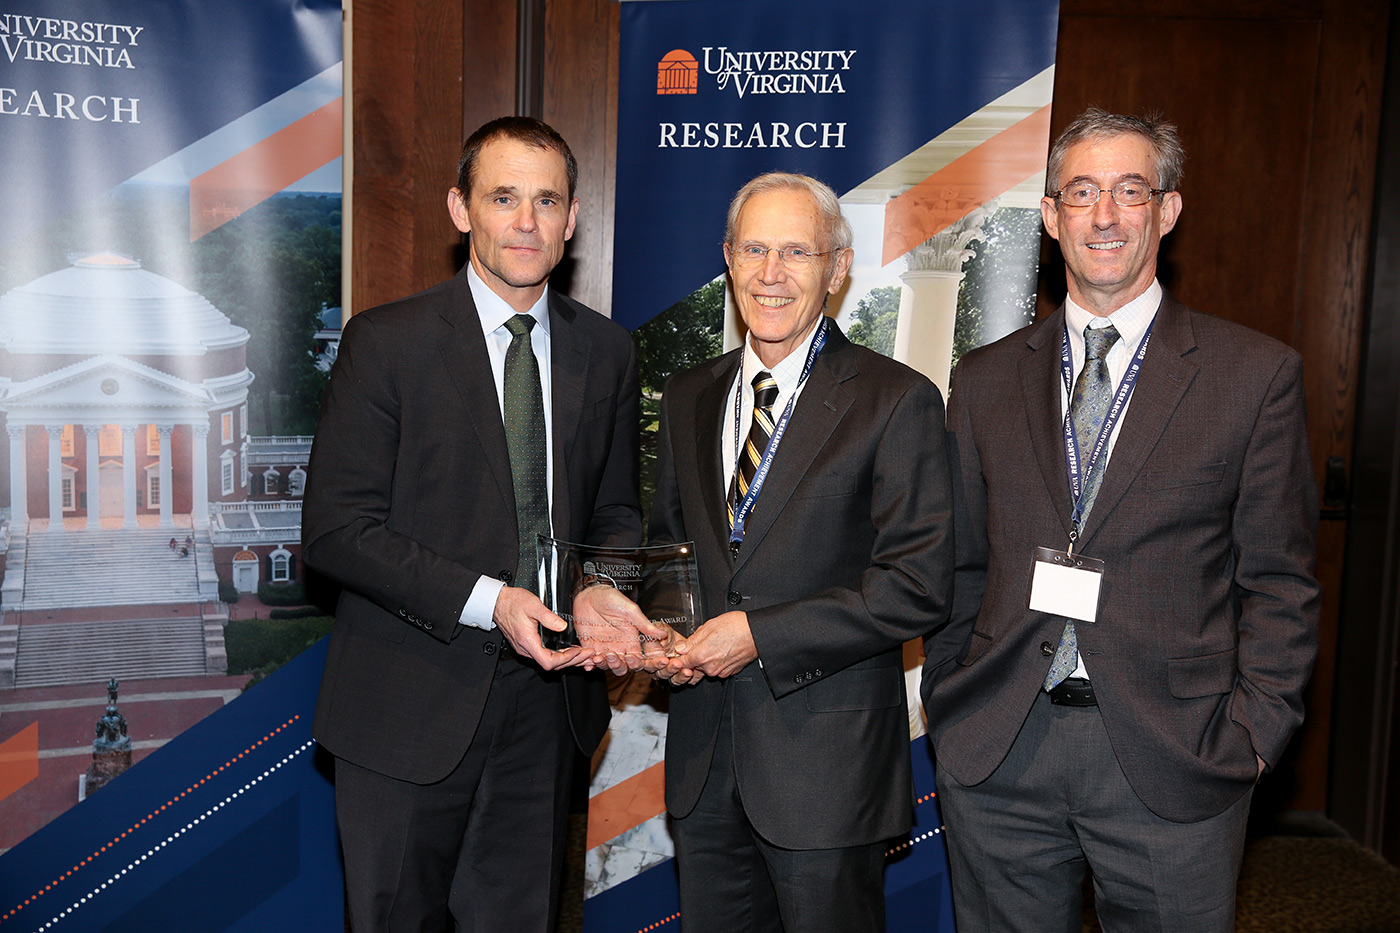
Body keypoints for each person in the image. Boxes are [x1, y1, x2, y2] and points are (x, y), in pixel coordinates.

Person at [922, 108, 1319, 933]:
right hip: (1002, 744)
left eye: (1130, 191)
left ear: (1166, 211)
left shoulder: (1253, 376)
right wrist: (954, 702)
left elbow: (1279, 581)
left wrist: (1253, 734)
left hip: (1174, 753)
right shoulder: (987, 379)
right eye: (1083, 192)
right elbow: (958, 562)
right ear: (1050, 214)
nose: (1104, 215)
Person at [302, 116, 643, 932]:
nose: (526, 221)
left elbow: (618, 510)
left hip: (546, 713)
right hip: (404, 706)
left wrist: (603, 586)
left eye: (546, 200)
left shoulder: (607, 351)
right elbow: (337, 529)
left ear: (572, 217)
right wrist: (491, 598)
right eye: (503, 197)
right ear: (461, 210)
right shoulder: (386, 344)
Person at [645, 172, 954, 932]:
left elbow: (917, 585)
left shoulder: (896, 399)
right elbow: (669, 549)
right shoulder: (689, 394)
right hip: (703, 761)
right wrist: (651, 625)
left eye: (796, 251)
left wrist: (760, 634)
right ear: (728, 258)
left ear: (837, 268)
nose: (771, 273)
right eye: (754, 249)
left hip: (827, 769)